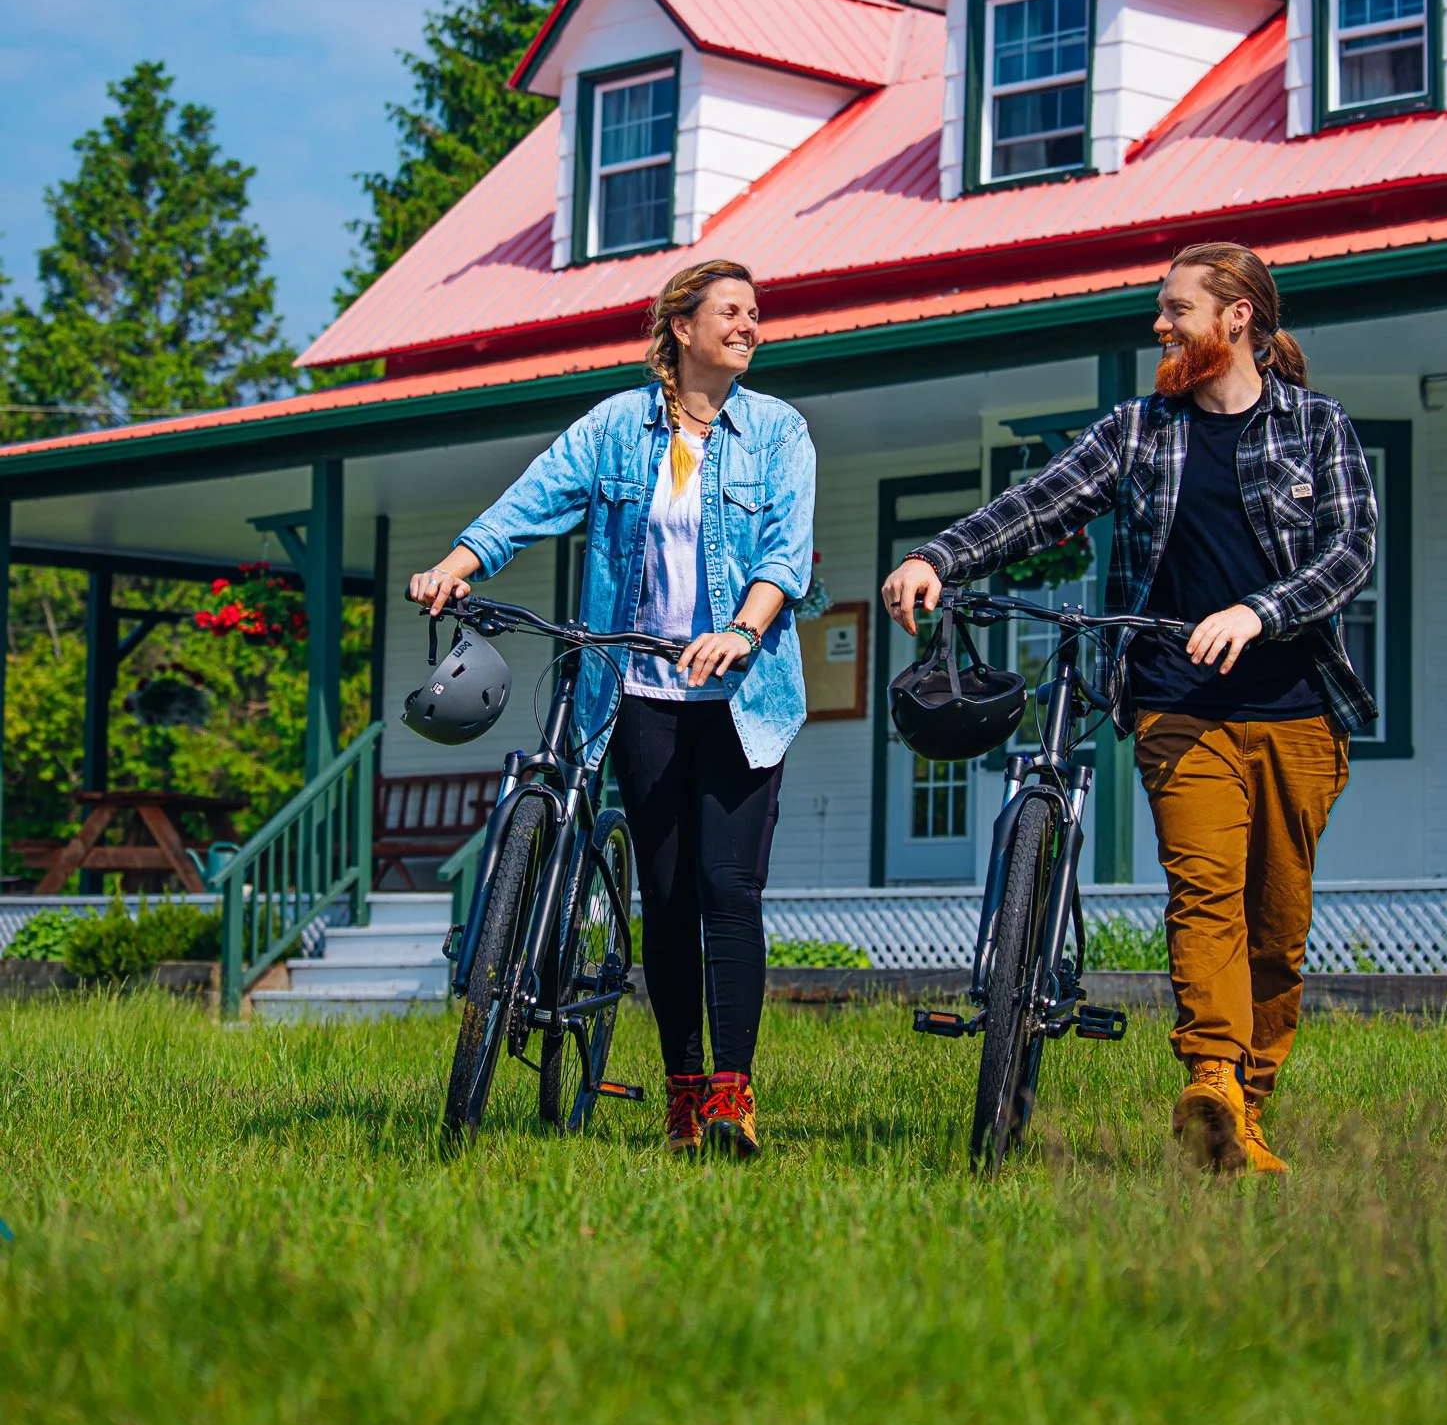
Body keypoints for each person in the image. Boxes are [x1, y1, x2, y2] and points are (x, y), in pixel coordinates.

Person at [882, 241, 1377, 1175]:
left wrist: (1257, 611)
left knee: (1277, 926)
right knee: (1204, 894)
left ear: (1236, 317)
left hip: (1296, 708)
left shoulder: (1316, 427)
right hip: (1173, 700)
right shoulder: (1139, 430)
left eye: (1175, 308)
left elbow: (1349, 553)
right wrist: (938, 556)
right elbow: (1038, 503)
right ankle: (1211, 1079)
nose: (1159, 323)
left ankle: (1248, 1112)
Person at [409, 259, 814, 1160]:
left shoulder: (779, 433)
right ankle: (680, 1096)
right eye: (731, 314)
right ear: (682, 327)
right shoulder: (614, 430)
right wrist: (459, 565)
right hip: (638, 692)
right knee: (665, 898)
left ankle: (731, 1096)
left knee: (726, 889)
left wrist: (741, 632)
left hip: (742, 696)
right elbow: (530, 501)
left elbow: (786, 558)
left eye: (755, 315)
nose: (749, 327)